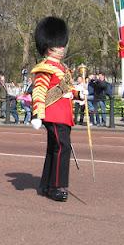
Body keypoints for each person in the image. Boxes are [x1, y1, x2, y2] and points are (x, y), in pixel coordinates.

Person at [31, 16, 75, 202]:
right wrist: (37, 114)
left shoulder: (62, 68)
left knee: (54, 149)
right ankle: (57, 186)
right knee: (61, 147)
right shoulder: (46, 68)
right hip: (54, 114)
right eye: (59, 44)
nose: (62, 47)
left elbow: (68, 90)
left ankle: (47, 185)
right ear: (50, 46)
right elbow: (39, 91)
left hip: (63, 113)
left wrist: (78, 93)